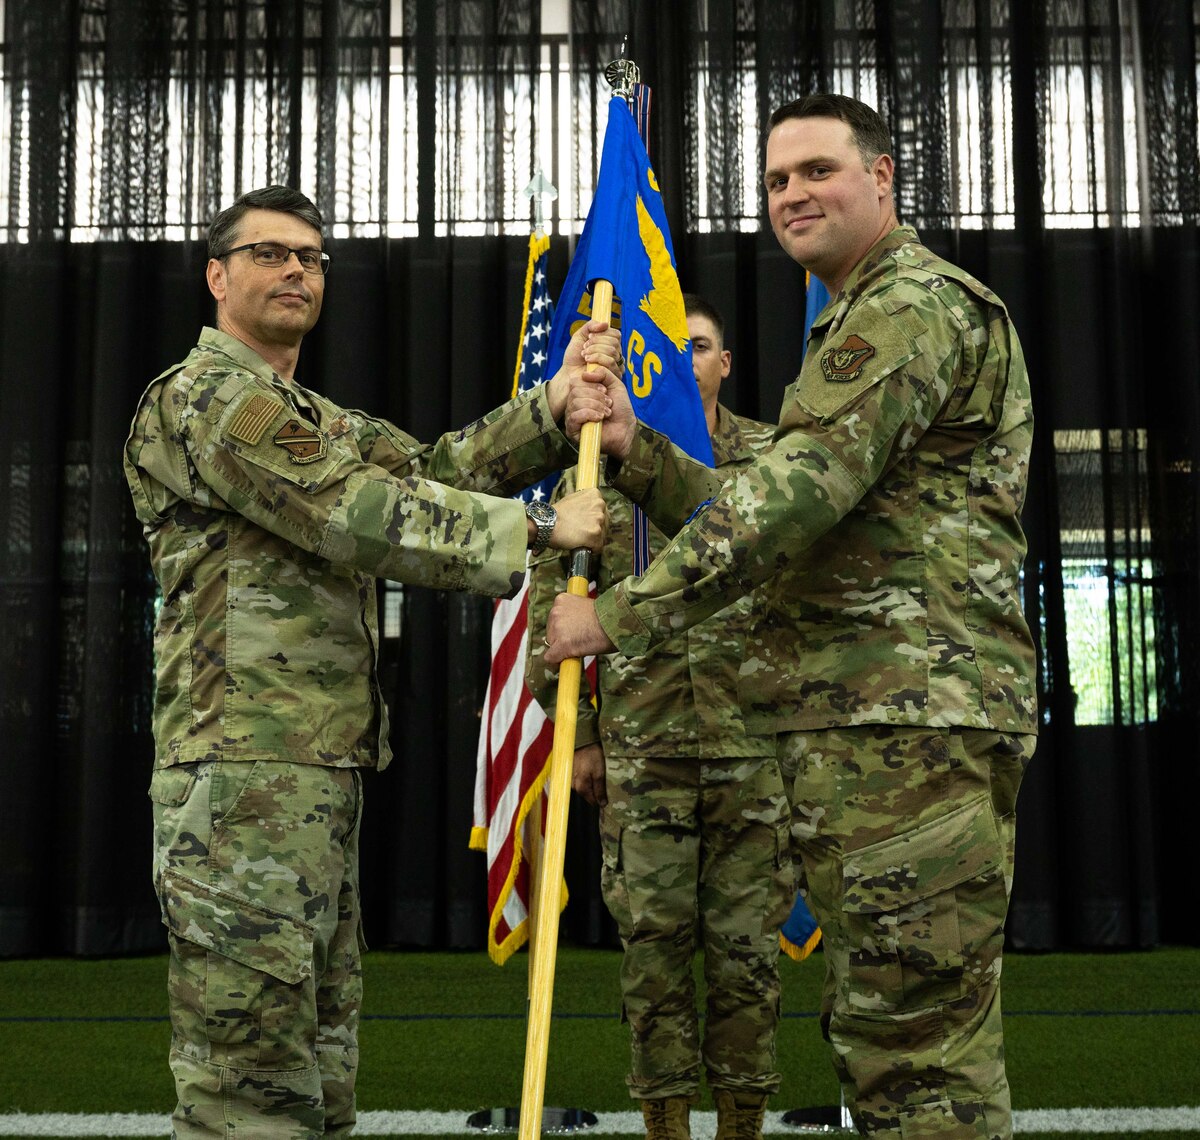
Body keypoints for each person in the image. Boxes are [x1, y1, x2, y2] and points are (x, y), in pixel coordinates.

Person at [547, 94, 1037, 1140]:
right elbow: (791, 501)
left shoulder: (906, 306)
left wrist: (619, 612)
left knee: (917, 1059)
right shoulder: (858, 314)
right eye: (776, 180)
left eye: (818, 170)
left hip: (907, 726)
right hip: (870, 726)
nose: (793, 195)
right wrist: (638, 451)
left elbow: (792, 497)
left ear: (885, 177)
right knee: (889, 1042)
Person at [122, 185, 620, 1138]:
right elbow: (356, 515)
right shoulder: (208, 399)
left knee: (316, 1067)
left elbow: (429, 471)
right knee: (251, 1086)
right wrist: (545, 523)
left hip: (307, 773)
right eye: (271, 254)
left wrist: (552, 412)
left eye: (312, 257)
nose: (296, 271)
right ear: (217, 276)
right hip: (240, 780)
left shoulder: (304, 412)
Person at [527, 295, 791, 1140]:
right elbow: (554, 600)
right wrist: (586, 736)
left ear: (722, 365)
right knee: (654, 956)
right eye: (670, 347)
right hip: (643, 748)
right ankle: (666, 1126)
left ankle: (743, 1121)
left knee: (748, 958)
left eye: (701, 346)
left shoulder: (769, 461)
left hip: (752, 746)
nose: (685, 359)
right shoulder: (594, 468)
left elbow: (789, 578)